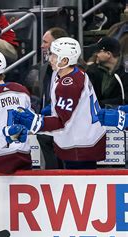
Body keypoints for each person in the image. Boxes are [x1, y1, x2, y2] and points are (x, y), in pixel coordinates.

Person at [13, 37, 106, 170]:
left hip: (80, 144)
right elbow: (75, 106)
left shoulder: (69, 85)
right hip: (83, 137)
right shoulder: (74, 73)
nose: (50, 59)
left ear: (65, 60)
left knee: (79, 186)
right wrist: (53, 108)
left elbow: (61, 121)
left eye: (54, 55)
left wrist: (36, 123)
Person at [25, 27, 68, 170]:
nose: (42, 46)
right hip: (48, 124)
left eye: (45, 42)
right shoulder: (43, 69)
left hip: (67, 125)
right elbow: (42, 96)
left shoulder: (76, 70)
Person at [86, 36, 127, 108]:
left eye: (99, 51)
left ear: (108, 54)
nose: (96, 54)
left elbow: (125, 98)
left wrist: (101, 104)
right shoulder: (92, 71)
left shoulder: (125, 72)